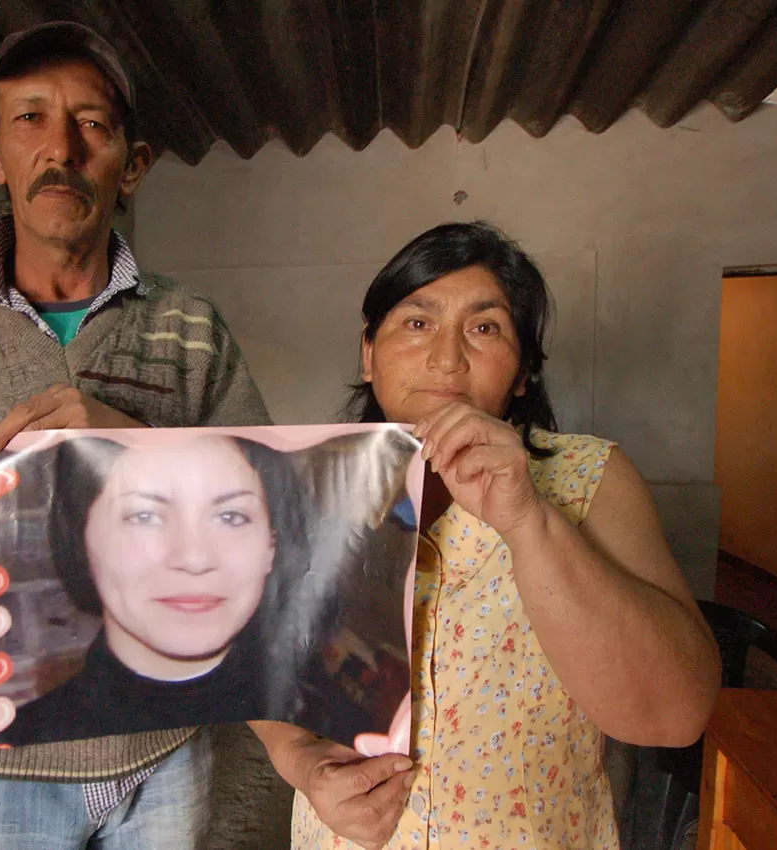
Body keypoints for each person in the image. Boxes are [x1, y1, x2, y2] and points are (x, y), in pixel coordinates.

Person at [0, 20, 270, 850]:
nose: (60, 147)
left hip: (166, 751)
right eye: (30, 118)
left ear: (131, 166)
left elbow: (263, 511)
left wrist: (132, 445)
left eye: (93, 124)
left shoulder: (191, 328)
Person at [249, 222, 721, 850]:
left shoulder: (589, 480)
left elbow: (676, 715)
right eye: (417, 322)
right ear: (368, 354)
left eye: (484, 327)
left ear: (523, 370)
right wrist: (302, 765)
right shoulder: (305, 488)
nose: (447, 358)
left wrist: (528, 520)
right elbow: (257, 664)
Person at [0, 434, 310, 745]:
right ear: (82, 538)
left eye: (231, 516)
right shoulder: (17, 742)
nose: (194, 558)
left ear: (272, 545)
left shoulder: (330, 727)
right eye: (144, 516)